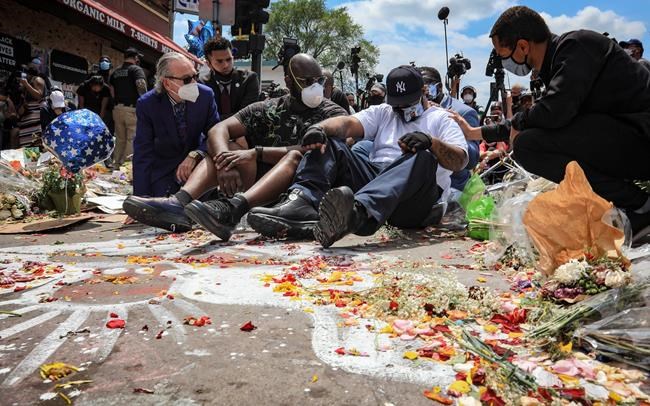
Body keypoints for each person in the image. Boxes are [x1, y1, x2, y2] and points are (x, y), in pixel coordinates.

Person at [474, 5, 650, 242]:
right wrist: (477, 132)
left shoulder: (576, 45)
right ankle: (631, 205)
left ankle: (639, 206)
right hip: (627, 140)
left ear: (523, 46)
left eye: (503, 55)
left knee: (529, 145)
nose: (504, 63)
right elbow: (544, 113)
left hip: (641, 139)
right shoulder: (558, 63)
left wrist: (519, 119)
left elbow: (554, 112)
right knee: (532, 137)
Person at [123, 54, 347, 239]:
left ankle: (231, 209)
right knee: (227, 149)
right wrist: (223, 160)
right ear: (289, 81)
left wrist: (255, 152)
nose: (316, 88)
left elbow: (320, 151)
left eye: (319, 81)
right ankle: (179, 204)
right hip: (258, 184)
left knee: (279, 157)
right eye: (307, 82)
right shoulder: (267, 108)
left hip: (300, 192)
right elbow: (218, 129)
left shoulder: (333, 113)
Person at [247, 65, 468, 247]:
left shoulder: (441, 119)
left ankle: (355, 214)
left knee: (423, 157)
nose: (403, 109)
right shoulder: (384, 112)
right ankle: (302, 202)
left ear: (423, 91)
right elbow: (348, 123)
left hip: (413, 200)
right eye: (397, 104)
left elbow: (460, 160)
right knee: (331, 142)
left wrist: (432, 142)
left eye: (408, 102)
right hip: (378, 179)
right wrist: (321, 128)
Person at [128, 52, 219, 200]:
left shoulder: (206, 96)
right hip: (164, 170)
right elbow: (143, 151)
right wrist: (140, 198)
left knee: (199, 207)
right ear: (167, 83)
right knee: (161, 209)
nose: (194, 83)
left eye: (195, 76)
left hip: (198, 167)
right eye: (187, 79)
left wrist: (195, 155)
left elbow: (215, 134)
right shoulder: (147, 104)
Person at [419, 66, 480, 195]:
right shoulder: (415, 109)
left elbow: (473, 159)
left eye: (426, 88)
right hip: (420, 186)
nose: (423, 93)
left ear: (439, 87)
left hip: (453, 189)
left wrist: (444, 123)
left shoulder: (464, 112)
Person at [199, 37, 259, 120]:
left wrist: (214, 119)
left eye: (229, 59)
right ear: (209, 64)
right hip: (211, 132)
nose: (226, 65)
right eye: (219, 61)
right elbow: (203, 117)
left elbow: (247, 115)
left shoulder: (249, 79)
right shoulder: (202, 84)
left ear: (233, 57)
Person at [110, 47, 147, 166]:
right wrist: (145, 101)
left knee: (120, 138)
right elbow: (141, 86)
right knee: (131, 138)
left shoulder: (115, 72)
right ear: (136, 58)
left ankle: (116, 164)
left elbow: (112, 91)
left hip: (117, 109)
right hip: (132, 109)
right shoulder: (136, 70)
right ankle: (126, 168)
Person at [16, 62, 46, 147]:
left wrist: (26, 85)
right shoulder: (28, 82)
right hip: (26, 121)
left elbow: (39, 95)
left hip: (35, 121)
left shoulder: (37, 79)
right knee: (27, 150)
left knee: (36, 145)